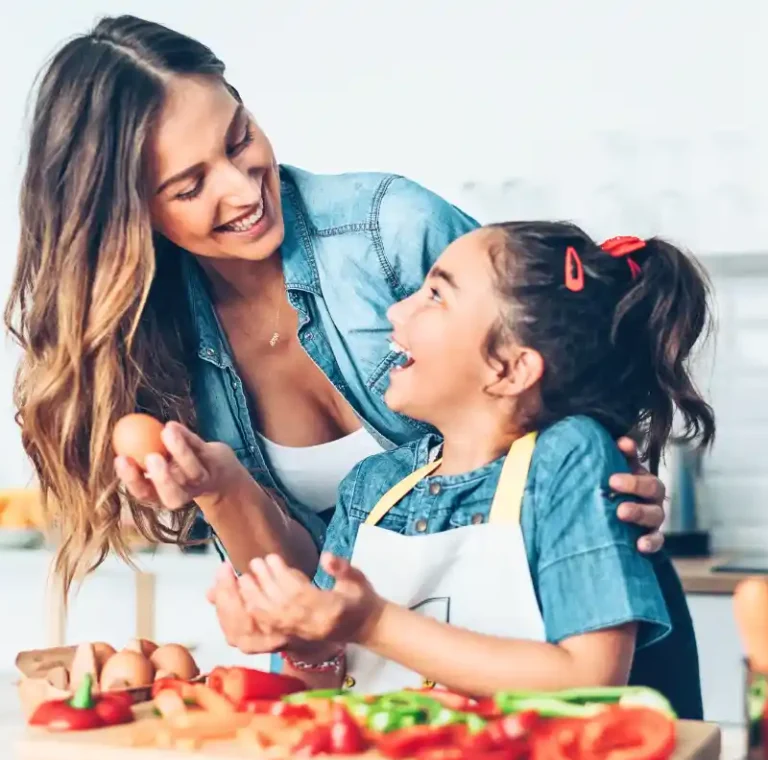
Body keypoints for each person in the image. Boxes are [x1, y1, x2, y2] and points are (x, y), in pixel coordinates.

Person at [7, 15, 666, 626]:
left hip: (583, 622)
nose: (242, 189)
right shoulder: (152, 347)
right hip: (408, 680)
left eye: (239, 139)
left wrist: (619, 475)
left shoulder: (392, 229)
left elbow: (570, 368)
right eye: (189, 186)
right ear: (126, 215)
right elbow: (309, 595)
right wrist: (220, 489)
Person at [232, 224, 714, 719]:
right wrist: (303, 642)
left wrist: (373, 622)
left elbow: (589, 679)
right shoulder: (371, 487)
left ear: (510, 369)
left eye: (436, 295)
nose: (396, 311)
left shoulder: (568, 457)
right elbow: (323, 687)